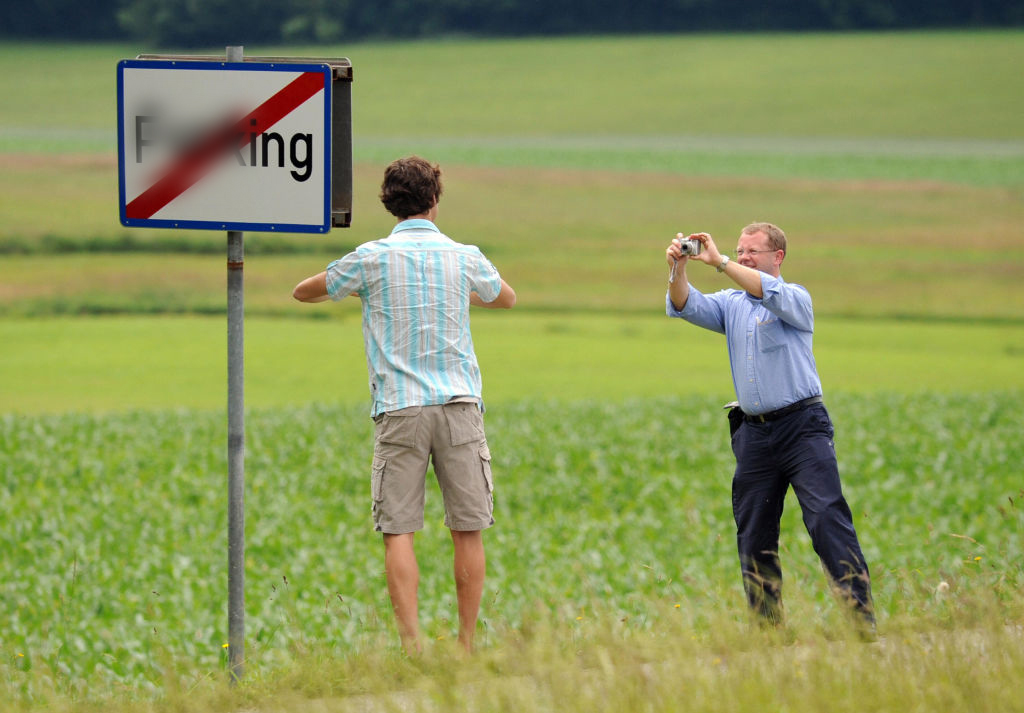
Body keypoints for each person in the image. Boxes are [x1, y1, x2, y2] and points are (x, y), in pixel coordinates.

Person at [293, 156, 516, 654]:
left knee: (398, 530)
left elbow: (304, 292)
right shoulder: (464, 255)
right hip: (459, 404)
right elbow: (505, 298)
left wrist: (350, 289)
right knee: (468, 528)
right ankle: (465, 645)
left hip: (398, 408)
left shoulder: (370, 258)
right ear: (434, 201)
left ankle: (413, 646)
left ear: (389, 203)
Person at [664, 222, 875, 634]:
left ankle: (860, 618)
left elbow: (767, 292)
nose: (743, 257)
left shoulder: (795, 297)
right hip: (755, 432)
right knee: (754, 528)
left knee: (826, 517)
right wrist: (678, 268)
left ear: (776, 257)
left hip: (802, 427)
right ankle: (768, 629)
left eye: (751, 252)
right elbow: (685, 304)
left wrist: (721, 262)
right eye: (740, 251)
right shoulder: (732, 303)